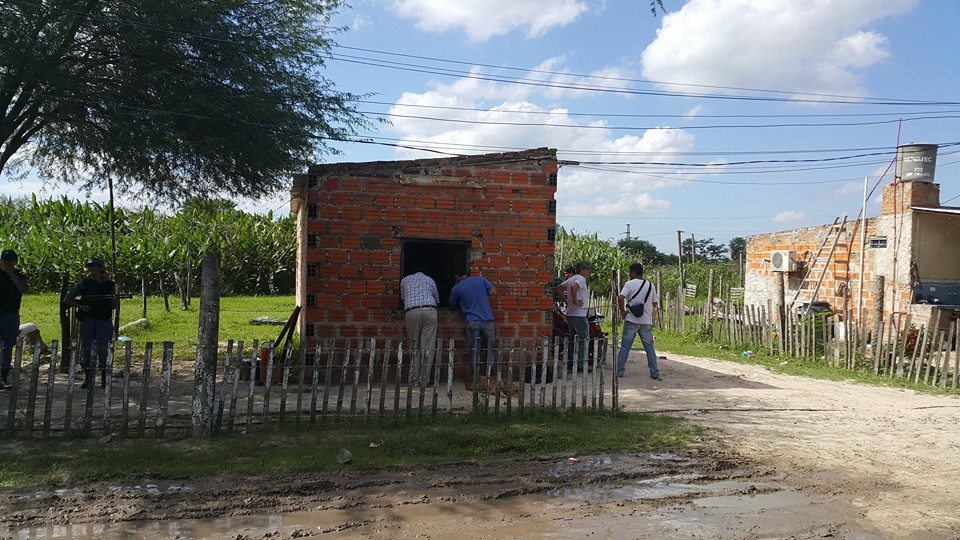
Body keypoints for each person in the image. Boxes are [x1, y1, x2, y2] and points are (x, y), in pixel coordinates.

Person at [63, 258, 118, 389]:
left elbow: (114, 306)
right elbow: (68, 299)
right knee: (87, 350)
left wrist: (115, 298)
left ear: (101, 269)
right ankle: (88, 379)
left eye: (94, 267)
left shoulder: (110, 285)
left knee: (104, 351)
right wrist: (81, 307)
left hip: (104, 321)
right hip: (88, 321)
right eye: (90, 267)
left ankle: (105, 379)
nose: (92, 270)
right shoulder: (84, 284)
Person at [616, 262, 662, 380]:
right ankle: (654, 372)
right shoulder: (651, 285)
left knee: (625, 346)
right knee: (649, 347)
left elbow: (621, 297)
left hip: (631, 319)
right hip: (646, 321)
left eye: (630, 272)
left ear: (634, 272)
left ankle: (620, 370)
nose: (629, 274)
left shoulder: (629, 284)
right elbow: (655, 303)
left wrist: (622, 311)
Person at [449, 268, 497, 376]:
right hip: (487, 319)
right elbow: (494, 291)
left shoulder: (457, 288)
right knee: (491, 348)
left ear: (456, 276)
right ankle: (490, 375)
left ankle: (476, 376)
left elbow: (452, 304)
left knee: (474, 349)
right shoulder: (481, 280)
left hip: (472, 321)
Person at [399, 267, 439, 386]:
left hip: (412, 312)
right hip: (430, 310)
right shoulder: (430, 280)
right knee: (427, 347)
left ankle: (414, 379)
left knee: (415, 346)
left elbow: (403, 298)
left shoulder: (405, 280)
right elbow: (437, 300)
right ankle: (424, 381)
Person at [0, 250, 28, 389]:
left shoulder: (20, 276)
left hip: (10, 315)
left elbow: (23, 289)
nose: (8, 263)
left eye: (10, 260)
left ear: (15, 262)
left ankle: (3, 378)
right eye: (5, 260)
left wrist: (11, 274)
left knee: (7, 347)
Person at [557, 261, 591, 371]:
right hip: (579, 314)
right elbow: (573, 286)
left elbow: (559, 288)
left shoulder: (571, 278)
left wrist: (567, 301)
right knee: (584, 339)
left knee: (572, 340)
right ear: (583, 269)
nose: (589, 272)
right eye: (588, 269)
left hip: (571, 313)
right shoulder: (580, 279)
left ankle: (571, 364)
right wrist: (575, 301)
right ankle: (581, 365)